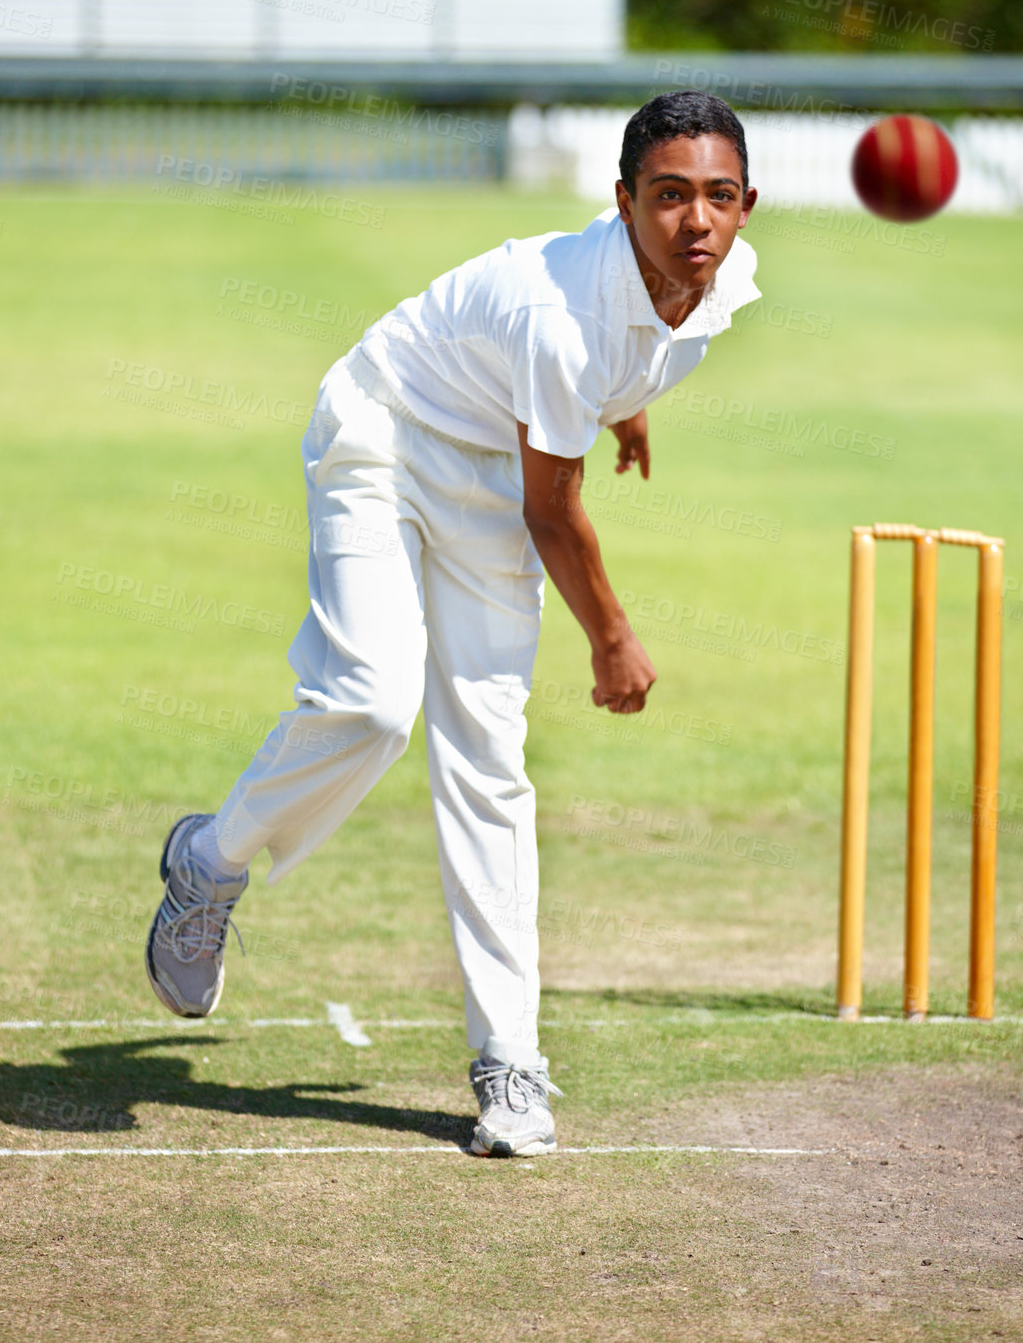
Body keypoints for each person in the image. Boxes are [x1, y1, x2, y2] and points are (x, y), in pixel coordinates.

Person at [145, 89, 761, 1157]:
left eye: (715, 197)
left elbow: (642, 339)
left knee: (487, 757)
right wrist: (609, 635)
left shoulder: (719, 280)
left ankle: (508, 1062)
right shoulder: (557, 318)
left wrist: (628, 403)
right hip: (384, 430)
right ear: (622, 202)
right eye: (667, 197)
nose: (693, 222)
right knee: (371, 704)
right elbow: (551, 507)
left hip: (491, 461)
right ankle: (209, 859)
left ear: (746, 204)